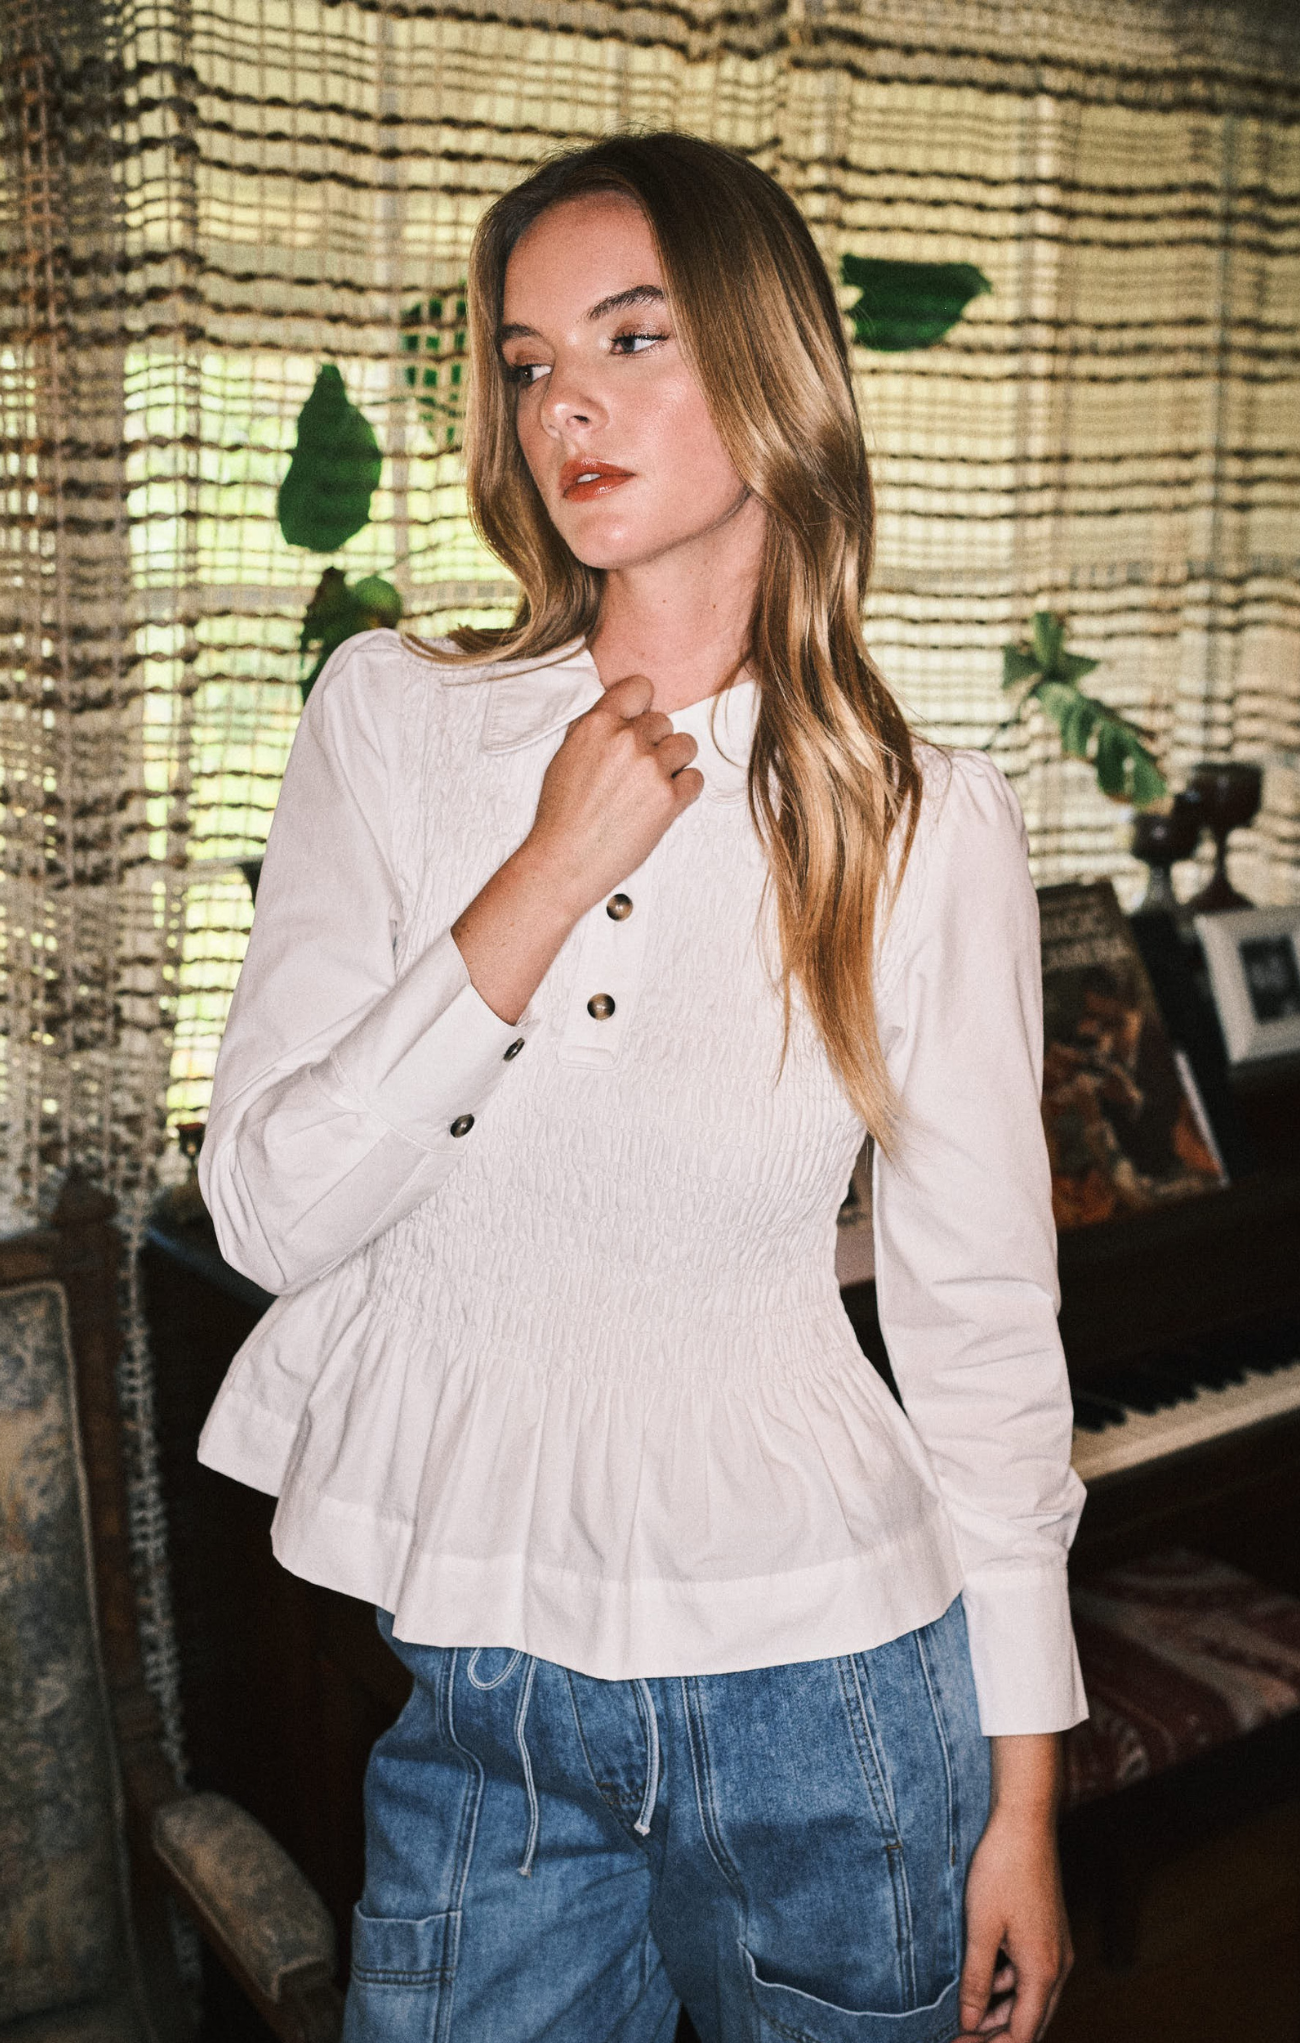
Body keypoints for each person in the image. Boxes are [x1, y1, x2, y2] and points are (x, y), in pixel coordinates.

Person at [197, 131, 1087, 2043]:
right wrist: (541, 875)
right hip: (483, 1702)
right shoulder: (396, 721)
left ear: (770, 364)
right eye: (525, 362)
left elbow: (984, 1324)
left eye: (628, 336)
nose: (563, 406)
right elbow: (269, 1215)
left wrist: (1021, 1797)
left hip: (834, 1700)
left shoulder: (920, 823)